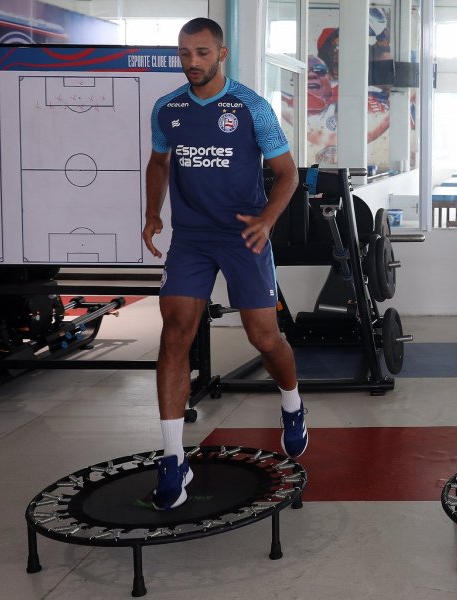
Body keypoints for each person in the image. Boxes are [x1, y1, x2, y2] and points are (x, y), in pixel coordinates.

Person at [142, 18, 304, 510]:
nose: (192, 62)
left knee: (264, 337)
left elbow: (287, 173)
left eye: (202, 52)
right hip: (192, 237)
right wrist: (153, 213)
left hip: (243, 236)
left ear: (222, 53)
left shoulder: (251, 107)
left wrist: (267, 221)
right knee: (175, 333)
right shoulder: (167, 109)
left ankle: (293, 405)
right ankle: (173, 458)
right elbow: (159, 162)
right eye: (185, 53)